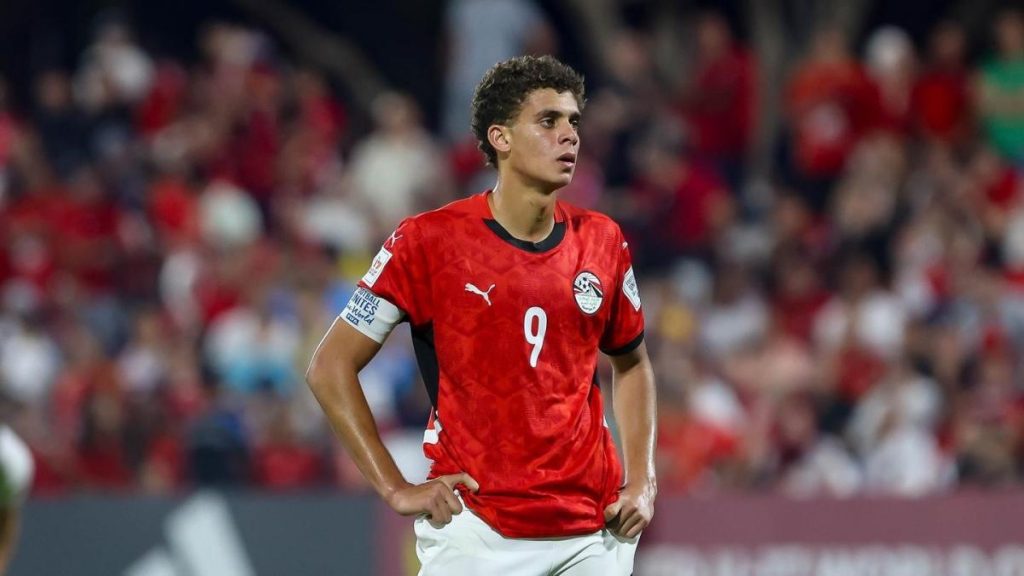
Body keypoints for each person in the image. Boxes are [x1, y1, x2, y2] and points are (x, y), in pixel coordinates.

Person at [306, 55, 656, 575]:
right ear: (501, 137)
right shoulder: (428, 241)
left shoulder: (602, 240)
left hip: (592, 531)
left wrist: (642, 480)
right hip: (478, 529)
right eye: (548, 121)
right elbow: (330, 367)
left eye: (573, 122)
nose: (569, 136)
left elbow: (632, 364)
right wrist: (394, 486)